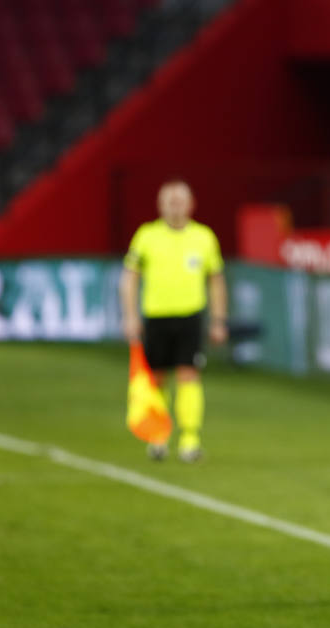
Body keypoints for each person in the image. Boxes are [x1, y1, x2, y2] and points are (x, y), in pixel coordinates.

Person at [119, 180, 227, 463]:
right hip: (156, 315)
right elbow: (130, 278)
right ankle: (158, 436)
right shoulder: (146, 236)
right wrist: (130, 316)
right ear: (160, 205)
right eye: (170, 201)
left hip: (190, 316)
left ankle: (190, 440)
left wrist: (218, 320)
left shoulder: (204, 238)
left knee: (188, 374)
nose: (175, 206)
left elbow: (216, 281)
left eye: (180, 201)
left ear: (192, 205)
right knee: (156, 378)